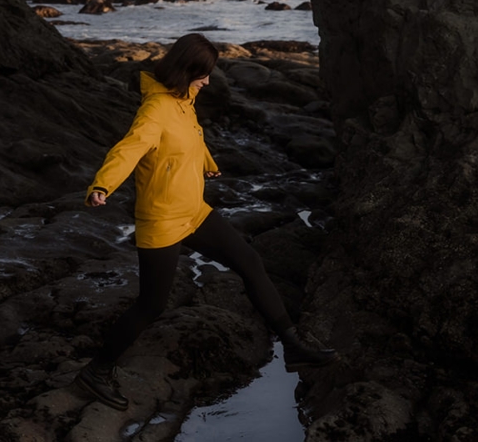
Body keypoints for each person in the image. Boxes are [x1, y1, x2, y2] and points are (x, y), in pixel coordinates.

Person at [76, 32, 335, 410]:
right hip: (163, 218)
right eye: (204, 74)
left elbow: (191, 140)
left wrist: (208, 165)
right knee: (151, 305)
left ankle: (294, 347)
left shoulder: (184, 101)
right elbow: (127, 150)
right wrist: (102, 185)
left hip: (194, 211)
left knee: (250, 262)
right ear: (185, 70)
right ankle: (95, 372)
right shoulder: (155, 109)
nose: (208, 81)